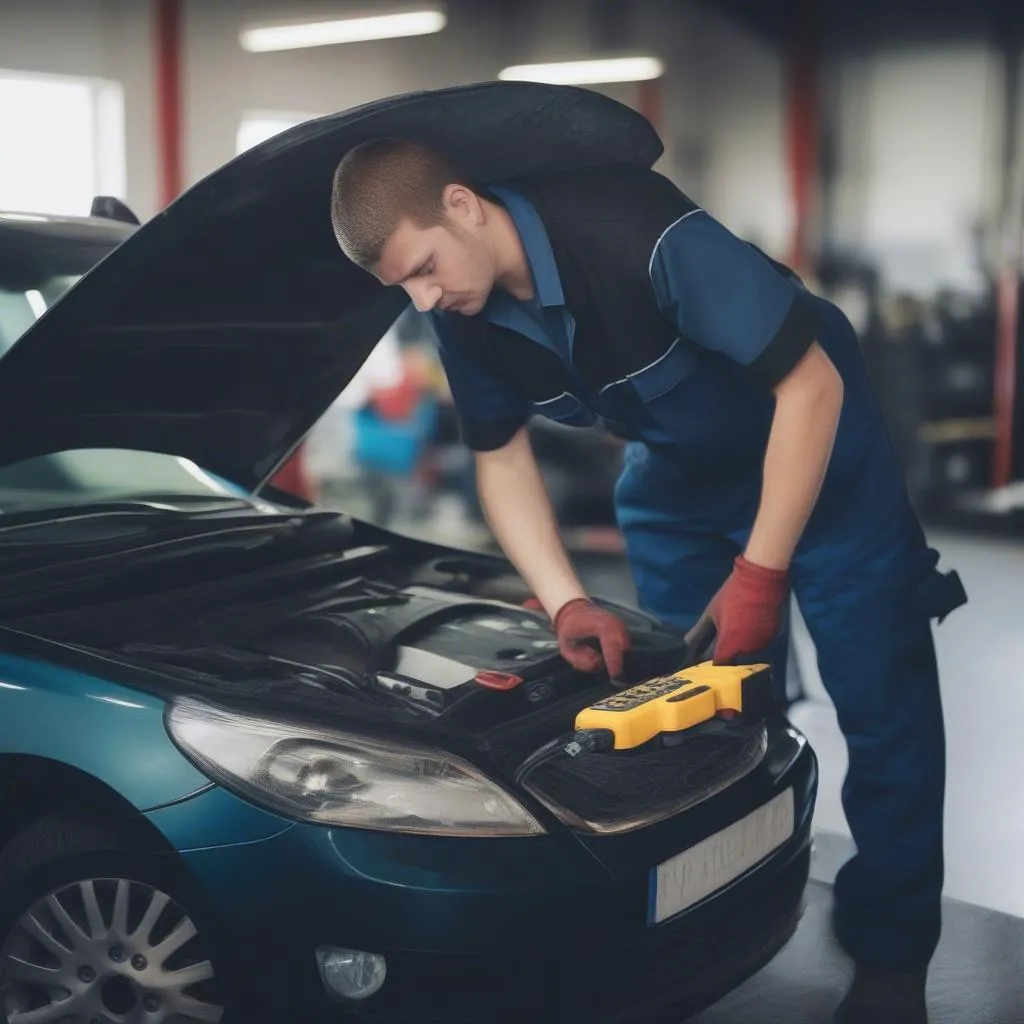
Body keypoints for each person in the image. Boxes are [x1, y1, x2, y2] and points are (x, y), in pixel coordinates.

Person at [328, 137, 966, 1023]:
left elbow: (811, 388)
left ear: (465, 205)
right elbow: (499, 460)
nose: (425, 298)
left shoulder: (640, 233)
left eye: (427, 268)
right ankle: (725, 901)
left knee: (880, 696)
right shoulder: (461, 313)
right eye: (405, 287)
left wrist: (760, 570)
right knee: (697, 712)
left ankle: (894, 946)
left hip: (823, 453)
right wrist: (567, 599)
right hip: (677, 471)